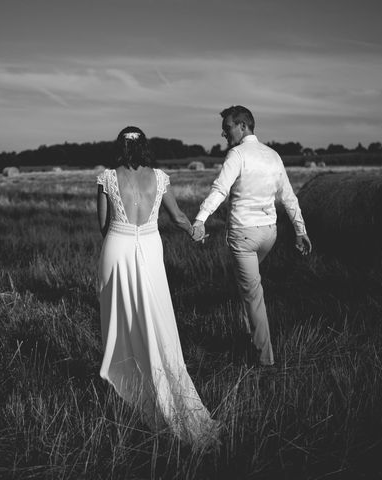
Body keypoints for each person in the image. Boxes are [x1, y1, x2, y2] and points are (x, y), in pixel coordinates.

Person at [97, 126, 219, 445]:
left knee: (120, 319)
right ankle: (160, 378)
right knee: (156, 314)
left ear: (120, 147)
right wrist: (195, 232)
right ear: (145, 147)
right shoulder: (161, 177)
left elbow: (103, 225)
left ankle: (127, 383)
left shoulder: (107, 177)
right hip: (150, 248)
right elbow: (178, 216)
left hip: (118, 247)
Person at [192, 105, 312, 367]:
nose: (224, 135)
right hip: (269, 233)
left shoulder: (237, 154)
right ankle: (250, 337)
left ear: (243, 126)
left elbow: (220, 189)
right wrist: (300, 230)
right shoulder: (273, 155)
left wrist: (200, 219)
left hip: (243, 235)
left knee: (253, 294)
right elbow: (288, 197)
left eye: (227, 129)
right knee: (249, 286)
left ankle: (265, 359)